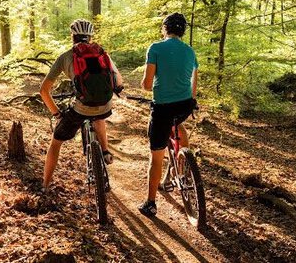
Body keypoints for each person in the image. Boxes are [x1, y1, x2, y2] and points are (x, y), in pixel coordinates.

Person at [40, 19, 123, 190]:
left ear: (73, 36)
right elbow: (118, 80)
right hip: (105, 105)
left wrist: (57, 114)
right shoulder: (102, 53)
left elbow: (43, 90)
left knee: (56, 142)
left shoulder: (65, 57)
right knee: (99, 114)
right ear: (90, 37)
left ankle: (45, 185)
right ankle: (105, 152)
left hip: (81, 108)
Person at [138, 12, 198, 217]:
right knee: (179, 129)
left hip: (163, 108)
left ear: (165, 29)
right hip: (185, 106)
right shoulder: (190, 52)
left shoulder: (155, 48)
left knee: (156, 155)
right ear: (183, 31)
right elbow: (193, 86)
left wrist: (148, 83)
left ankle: (150, 203)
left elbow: (146, 85)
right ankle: (177, 170)